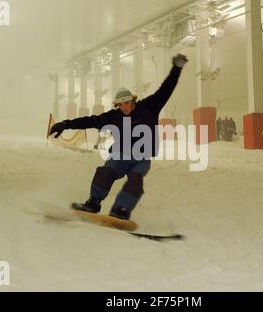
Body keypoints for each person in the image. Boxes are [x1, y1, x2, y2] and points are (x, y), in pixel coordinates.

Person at [49, 54, 188, 220]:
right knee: (105, 172)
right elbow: (91, 120)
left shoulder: (149, 108)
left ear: (133, 100)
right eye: (121, 104)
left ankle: (120, 210)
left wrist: (176, 68)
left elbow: (166, 90)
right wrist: (65, 124)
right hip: (120, 156)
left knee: (135, 180)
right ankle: (93, 203)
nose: (125, 107)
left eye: (127, 103)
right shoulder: (114, 116)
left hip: (141, 158)